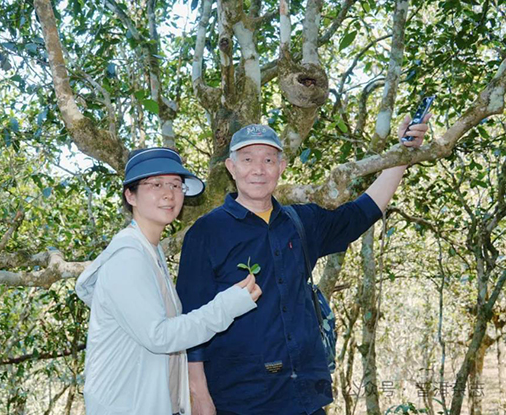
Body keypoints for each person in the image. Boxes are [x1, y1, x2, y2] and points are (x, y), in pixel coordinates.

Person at [176, 115, 430, 415]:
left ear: (281, 167)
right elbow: (189, 322)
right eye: (247, 159)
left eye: (269, 160)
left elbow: (363, 211)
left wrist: (402, 154)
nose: (258, 169)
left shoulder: (301, 221)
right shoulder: (206, 232)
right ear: (232, 168)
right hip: (239, 400)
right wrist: (198, 394)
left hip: (304, 398)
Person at [75, 147, 262, 415]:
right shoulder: (128, 257)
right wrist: (228, 305)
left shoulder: (151, 251)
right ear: (131, 195)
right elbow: (159, 336)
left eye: (175, 184)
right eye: (156, 184)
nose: (168, 193)